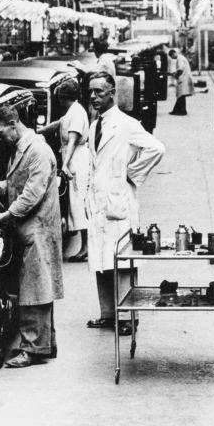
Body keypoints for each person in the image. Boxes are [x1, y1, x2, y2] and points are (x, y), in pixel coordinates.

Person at [0, 104, 64, 368]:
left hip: (37, 227)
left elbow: (31, 194)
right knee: (36, 287)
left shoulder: (38, 151)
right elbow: (17, 183)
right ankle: (42, 344)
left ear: (13, 124)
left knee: (35, 289)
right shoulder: (20, 148)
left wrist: (4, 216)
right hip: (29, 227)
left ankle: (33, 350)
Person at [85, 72, 165, 334]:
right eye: (91, 92)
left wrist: (132, 174)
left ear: (112, 93)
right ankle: (108, 313)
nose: (94, 96)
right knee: (100, 259)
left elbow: (156, 148)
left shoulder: (127, 124)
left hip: (118, 199)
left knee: (122, 261)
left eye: (99, 91)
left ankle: (128, 318)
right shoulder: (94, 124)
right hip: (98, 200)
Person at [38, 79, 90, 261]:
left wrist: (65, 164)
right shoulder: (74, 111)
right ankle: (84, 245)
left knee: (80, 200)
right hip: (74, 156)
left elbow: (73, 139)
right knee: (76, 201)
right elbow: (58, 124)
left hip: (77, 158)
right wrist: (37, 132)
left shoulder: (76, 113)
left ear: (63, 97)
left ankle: (85, 247)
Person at [168, 47, 194, 115]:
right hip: (184, 77)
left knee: (181, 95)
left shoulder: (179, 58)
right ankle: (179, 110)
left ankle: (181, 111)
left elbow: (180, 69)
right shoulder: (181, 58)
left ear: (174, 53)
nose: (172, 58)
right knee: (181, 95)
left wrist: (175, 75)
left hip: (183, 78)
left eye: (172, 56)